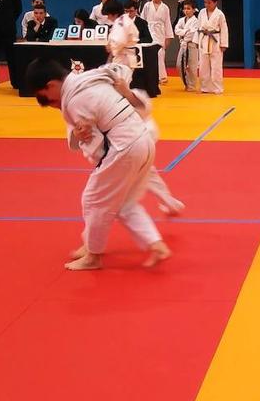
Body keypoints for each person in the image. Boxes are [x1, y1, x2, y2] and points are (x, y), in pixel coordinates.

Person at [24, 58, 171, 270]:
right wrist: (122, 89)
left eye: (49, 99)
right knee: (123, 203)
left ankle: (93, 255)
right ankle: (155, 244)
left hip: (124, 147)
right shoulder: (91, 78)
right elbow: (119, 69)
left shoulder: (74, 99)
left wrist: (81, 136)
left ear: (51, 85)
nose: (53, 106)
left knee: (93, 199)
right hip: (144, 139)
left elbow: (95, 146)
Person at [195, 0, 229, 94]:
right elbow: (198, 27)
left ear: (215, 3)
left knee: (216, 66)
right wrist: (196, 41)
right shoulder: (201, 12)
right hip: (204, 39)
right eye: (205, 2)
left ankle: (217, 87)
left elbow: (224, 29)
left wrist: (224, 44)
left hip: (215, 41)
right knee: (203, 66)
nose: (207, 5)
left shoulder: (220, 14)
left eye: (209, 3)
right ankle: (205, 87)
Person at [140, 0, 173, 84]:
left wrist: (168, 38)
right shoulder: (147, 5)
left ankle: (162, 77)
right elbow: (142, 20)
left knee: (160, 54)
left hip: (160, 32)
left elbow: (167, 23)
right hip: (149, 31)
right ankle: (151, 77)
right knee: (149, 55)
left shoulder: (165, 7)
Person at [174, 0, 199, 90]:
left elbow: (192, 33)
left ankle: (191, 85)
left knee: (192, 67)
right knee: (179, 65)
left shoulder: (196, 21)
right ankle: (187, 83)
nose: (186, 10)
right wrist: (185, 32)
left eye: (188, 8)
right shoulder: (181, 20)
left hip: (192, 45)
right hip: (183, 45)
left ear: (193, 10)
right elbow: (176, 30)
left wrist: (182, 33)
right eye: (185, 9)